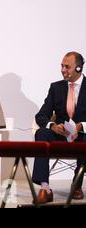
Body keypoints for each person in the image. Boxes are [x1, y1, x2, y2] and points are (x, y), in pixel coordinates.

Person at [33, 52, 86, 203]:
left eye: (67, 67)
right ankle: (45, 188)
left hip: (82, 135)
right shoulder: (56, 88)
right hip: (61, 134)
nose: (63, 70)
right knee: (42, 133)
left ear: (78, 68)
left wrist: (81, 125)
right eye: (61, 66)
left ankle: (77, 184)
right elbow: (41, 115)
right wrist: (52, 125)